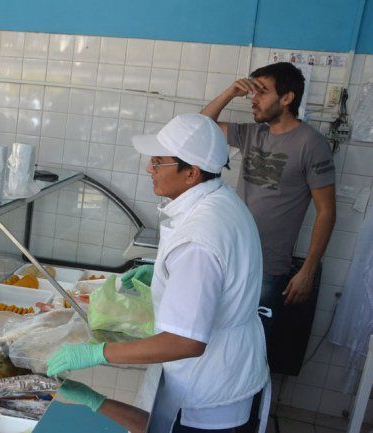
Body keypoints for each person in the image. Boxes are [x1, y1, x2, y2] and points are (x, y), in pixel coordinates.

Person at [47, 114, 269, 433]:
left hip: (209, 394)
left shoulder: (200, 237)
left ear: (191, 172)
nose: (148, 169)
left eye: (158, 162)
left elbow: (186, 341)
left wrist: (99, 353)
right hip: (226, 371)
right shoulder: (218, 201)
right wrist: (166, 275)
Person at [201, 62, 336, 338]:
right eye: (253, 92)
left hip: (268, 267)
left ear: (287, 99)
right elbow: (199, 128)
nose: (253, 99)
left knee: (254, 341)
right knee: (218, 336)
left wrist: (307, 271)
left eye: (262, 92)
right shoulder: (252, 133)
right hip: (230, 256)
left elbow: (327, 211)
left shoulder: (311, 144)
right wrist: (229, 93)